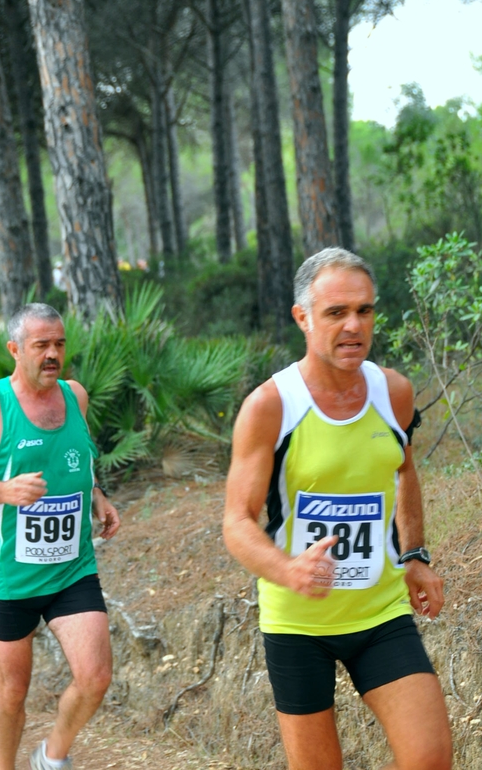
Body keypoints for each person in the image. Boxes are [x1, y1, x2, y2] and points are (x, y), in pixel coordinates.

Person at [223, 248, 452, 770]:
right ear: (302, 318)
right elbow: (237, 521)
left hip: (380, 613)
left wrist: (414, 552)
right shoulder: (270, 406)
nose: (354, 326)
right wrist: (288, 568)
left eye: (365, 311)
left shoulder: (392, 392)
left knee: (431, 759)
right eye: (336, 313)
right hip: (298, 624)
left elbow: (402, 469)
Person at [0, 303, 120, 770]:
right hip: (12, 577)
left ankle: (51, 755)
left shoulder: (76, 396)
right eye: (41, 345)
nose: (52, 354)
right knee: (12, 690)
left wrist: (97, 493)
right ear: (14, 349)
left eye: (59, 344)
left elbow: (80, 458)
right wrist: (3, 490)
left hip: (72, 568)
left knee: (96, 677)